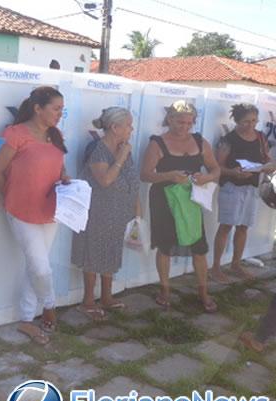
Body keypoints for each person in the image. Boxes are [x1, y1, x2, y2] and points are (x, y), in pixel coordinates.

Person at [0, 86, 70, 345]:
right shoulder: (16, 134)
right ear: (38, 108)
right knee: (42, 268)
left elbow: (60, 168)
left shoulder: (55, 135)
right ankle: (49, 306)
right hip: (21, 211)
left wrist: (66, 180)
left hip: (51, 210)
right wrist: (10, 197)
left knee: (35, 266)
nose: (60, 114)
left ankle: (26, 319)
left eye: (62, 110)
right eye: (56, 109)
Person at [140, 100, 220, 312]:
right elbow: (145, 174)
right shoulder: (157, 143)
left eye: (189, 122)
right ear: (169, 119)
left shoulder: (200, 141)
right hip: (164, 200)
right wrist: (169, 176)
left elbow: (215, 169)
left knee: (199, 247)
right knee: (165, 246)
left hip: (191, 201)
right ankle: (165, 290)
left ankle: (203, 292)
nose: (184, 126)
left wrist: (207, 177)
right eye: (180, 121)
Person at [72, 107, 141, 320]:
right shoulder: (99, 151)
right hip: (98, 212)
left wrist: (137, 212)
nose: (132, 128)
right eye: (128, 124)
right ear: (115, 127)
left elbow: (131, 181)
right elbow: (105, 180)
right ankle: (88, 301)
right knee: (93, 253)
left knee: (111, 251)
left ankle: (107, 297)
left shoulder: (123, 148)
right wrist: (121, 157)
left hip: (119, 212)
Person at [211, 103, 272, 283]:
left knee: (244, 226)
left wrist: (267, 166)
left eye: (254, 120)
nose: (251, 125)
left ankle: (236, 264)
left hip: (251, 187)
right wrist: (233, 172)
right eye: (246, 121)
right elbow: (217, 167)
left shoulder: (261, 137)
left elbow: (266, 158)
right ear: (236, 120)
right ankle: (215, 267)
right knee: (226, 226)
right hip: (231, 187)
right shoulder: (228, 139)